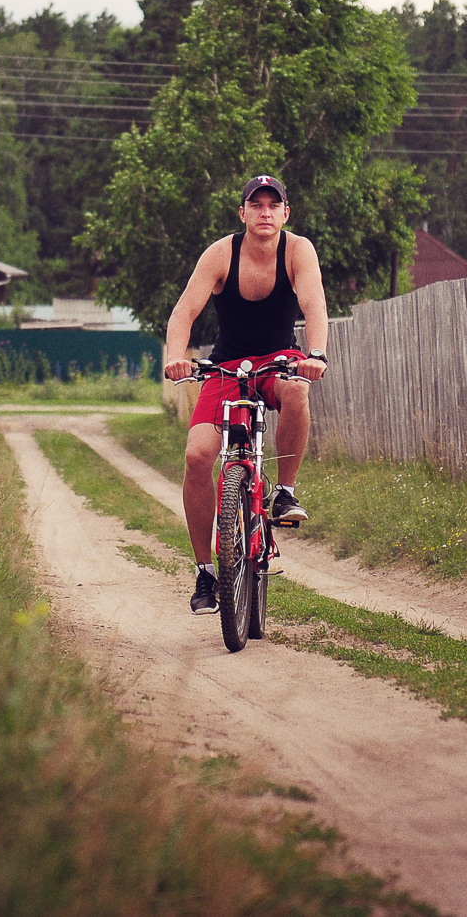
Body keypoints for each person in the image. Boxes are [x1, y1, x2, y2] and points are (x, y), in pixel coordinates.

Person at [163, 174, 329, 614]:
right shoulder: (220, 254)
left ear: (285, 213)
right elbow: (184, 311)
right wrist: (176, 357)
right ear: (243, 213)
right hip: (226, 365)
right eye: (256, 205)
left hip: (279, 359)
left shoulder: (298, 250)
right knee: (198, 457)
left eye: (273, 205)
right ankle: (204, 571)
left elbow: (314, 304)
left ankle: (285, 492)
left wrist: (315, 354)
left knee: (298, 390)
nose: (265, 212)